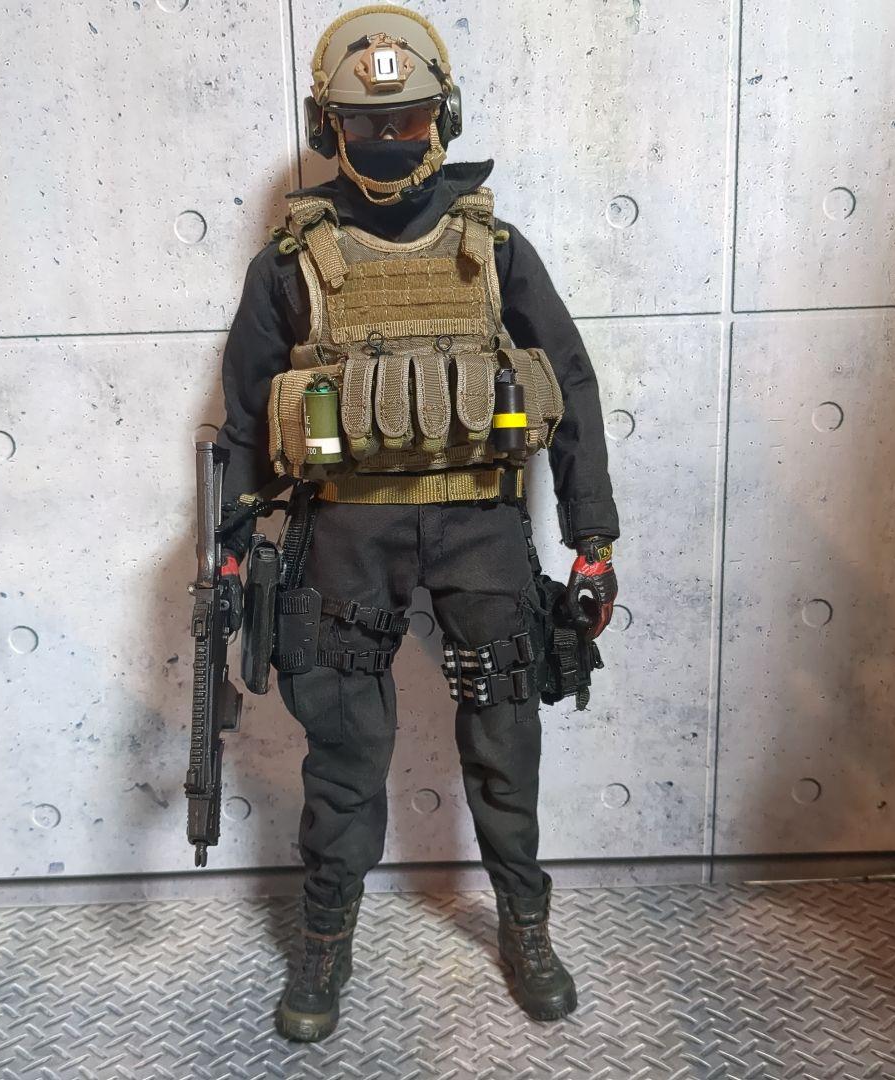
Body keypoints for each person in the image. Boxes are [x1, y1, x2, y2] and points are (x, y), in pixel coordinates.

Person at [215, 4, 620, 1041]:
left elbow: (569, 383)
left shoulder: (495, 248)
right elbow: (246, 410)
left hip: (482, 524)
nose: (391, 137)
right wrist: (235, 545)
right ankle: (324, 938)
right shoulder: (292, 260)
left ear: (444, 116)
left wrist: (592, 538)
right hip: (345, 533)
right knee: (344, 752)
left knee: (505, 734)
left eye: (410, 118)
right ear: (330, 126)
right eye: (366, 122)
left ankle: (525, 924)